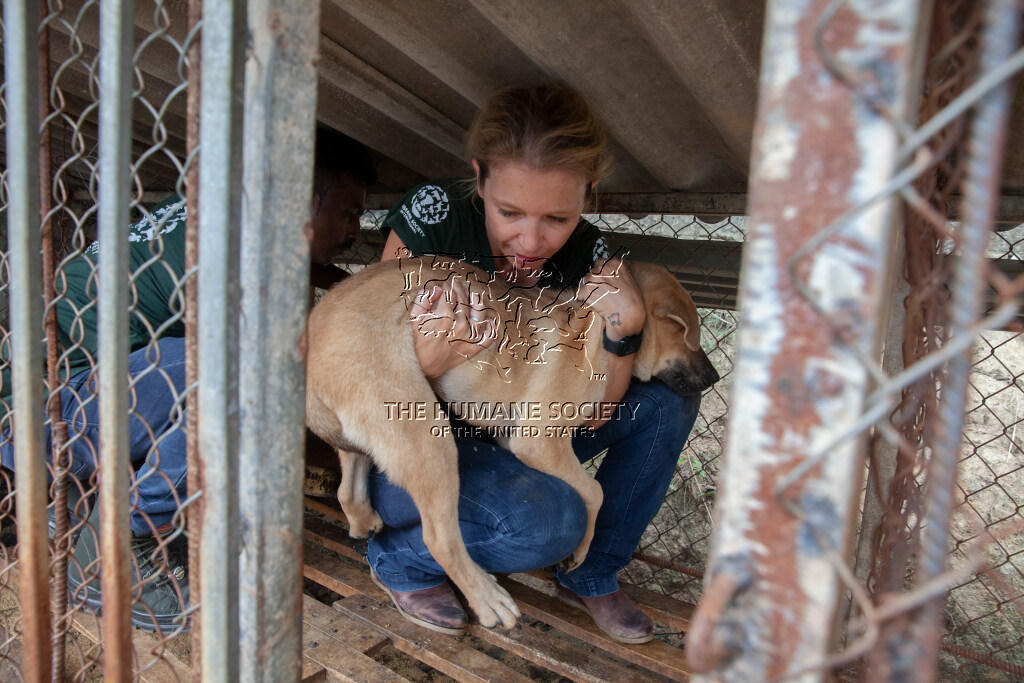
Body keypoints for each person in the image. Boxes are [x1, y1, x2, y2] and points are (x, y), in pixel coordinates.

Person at [0, 125, 376, 632]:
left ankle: (88, 511)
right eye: (348, 213)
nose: (355, 231)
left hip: (73, 406)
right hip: (43, 416)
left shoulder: (218, 214)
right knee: (242, 375)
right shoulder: (232, 258)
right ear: (302, 198)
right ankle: (124, 541)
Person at [368, 83, 701, 644]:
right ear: (479, 176)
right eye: (509, 212)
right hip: (417, 439)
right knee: (544, 522)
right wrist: (428, 357)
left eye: (557, 218)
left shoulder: (589, 254)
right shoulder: (437, 217)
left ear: (588, 195)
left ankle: (590, 571)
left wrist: (624, 332)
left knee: (666, 403)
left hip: (517, 429)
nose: (530, 239)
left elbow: (593, 413)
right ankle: (401, 560)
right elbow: (376, 377)